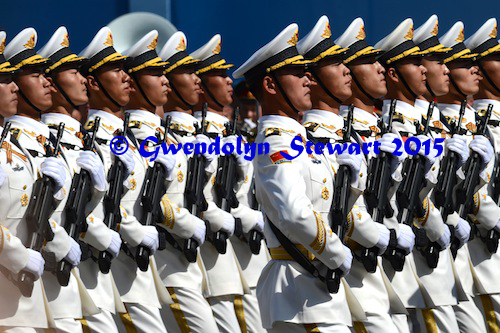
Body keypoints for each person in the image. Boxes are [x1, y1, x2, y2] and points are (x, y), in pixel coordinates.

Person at [233, 22, 358, 333]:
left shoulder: (299, 139)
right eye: (297, 73)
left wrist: (354, 180)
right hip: (297, 290)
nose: (307, 79)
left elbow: (330, 206)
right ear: (271, 86)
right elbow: (293, 213)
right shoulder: (277, 142)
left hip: (314, 288)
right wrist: (335, 251)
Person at [79, 26, 169, 333]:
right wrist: (132, 232)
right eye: (116, 71)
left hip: (132, 267)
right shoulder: (93, 141)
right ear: (92, 83)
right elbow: (92, 207)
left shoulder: (121, 138)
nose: (126, 76)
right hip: (110, 265)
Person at [37, 26, 126, 333]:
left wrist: (101, 188)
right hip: (56, 271)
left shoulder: (82, 139)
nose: (82, 79)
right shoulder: (45, 143)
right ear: (52, 82)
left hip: (91, 270)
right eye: (72, 73)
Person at [374, 18, 453, 332]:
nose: (425, 69)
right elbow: (407, 193)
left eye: (425, 63)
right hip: (414, 253)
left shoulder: (424, 123)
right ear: (393, 74)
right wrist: (436, 225)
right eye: (414, 63)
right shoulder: (395, 129)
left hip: (437, 250)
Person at [333, 17, 411, 332]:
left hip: (380, 269)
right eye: (368, 63)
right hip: (351, 268)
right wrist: (383, 236)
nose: (380, 68)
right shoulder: (337, 137)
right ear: (347, 73)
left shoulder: (378, 131)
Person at [4, 27, 84, 333]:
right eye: (35, 75)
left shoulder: (47, 142)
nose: (46, 81)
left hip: (52, 287)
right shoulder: (13, 147)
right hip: (16, 291)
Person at [191, 33, 269, 333]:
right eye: (218, 75)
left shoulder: (233, 136)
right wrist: (240, 217)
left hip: (248, 258)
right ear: (201, 85)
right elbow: (197, 197)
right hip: (219, 255)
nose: (227, 82)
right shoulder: (201, 139)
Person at [158, 31, 222, 333]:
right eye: (188, 72)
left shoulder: (191, 138)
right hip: (168, 263)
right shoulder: (159, 141)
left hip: (194, 264)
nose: (198, 79)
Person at [0, 30, 48, 333]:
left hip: (20, 299)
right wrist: (18, 255)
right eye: (4, 80)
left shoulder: (12, 147)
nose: (15, 87)